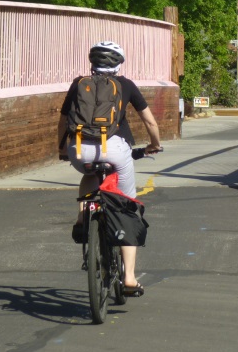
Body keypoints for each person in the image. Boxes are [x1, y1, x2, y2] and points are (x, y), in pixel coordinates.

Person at [58, 40, 163, 296]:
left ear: (92, 62)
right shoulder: (125, 85)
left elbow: (63, 120)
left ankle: (84, 216)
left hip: (80, 148)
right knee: (127, 209)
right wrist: (154, 144)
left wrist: (63, 150)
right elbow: (149, 121)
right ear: (118, 63)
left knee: (89, 173)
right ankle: (128, 278)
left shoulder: (78, 83)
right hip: (114, 149)